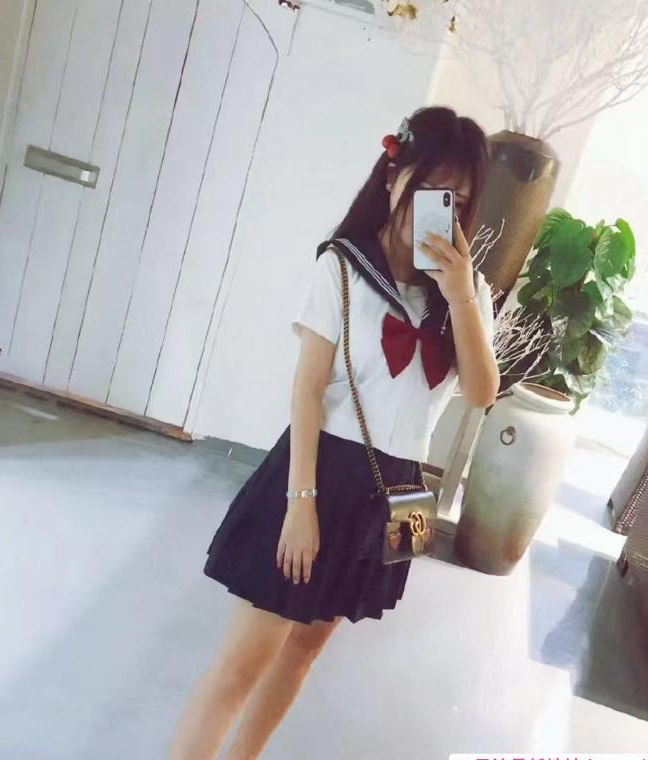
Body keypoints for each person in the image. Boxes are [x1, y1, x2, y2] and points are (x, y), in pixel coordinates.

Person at [168, 106, 500, 760]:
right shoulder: (343, 268)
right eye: (431, 188)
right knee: (243, 663)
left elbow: (482, 394)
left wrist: (462, 295)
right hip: (323, 473)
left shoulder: (468, 293)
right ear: (394, 176)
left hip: (404, 490)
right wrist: (301, 505)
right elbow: (306, 391)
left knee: (304, 652)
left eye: (459, 201)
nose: (442, 209)